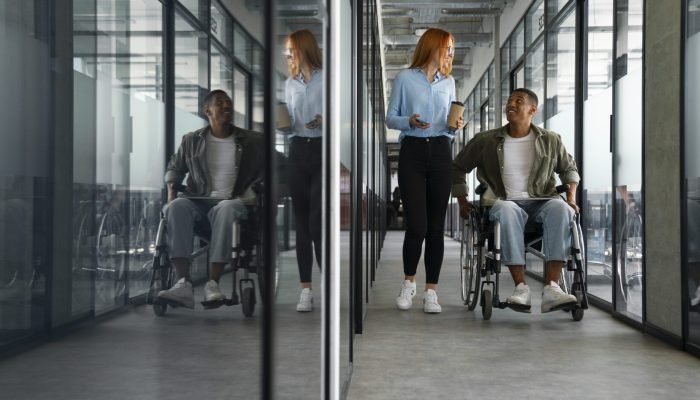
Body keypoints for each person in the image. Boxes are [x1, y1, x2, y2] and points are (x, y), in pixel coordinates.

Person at [452, 88, 578, 313]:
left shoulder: (550, 140)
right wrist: (462, 201)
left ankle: (552, 287)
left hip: (543, 201)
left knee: (561, 209)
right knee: (507, 209)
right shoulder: (486, 141)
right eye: (509, 100)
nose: (511, 104)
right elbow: (458, 167)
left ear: (532, 109)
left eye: (518, 101)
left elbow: (569, 169)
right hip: (504, 201)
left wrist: (570, 198)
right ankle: (521, 288)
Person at [156, 90, 264, 309]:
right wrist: (171, 187)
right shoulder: (191, 140)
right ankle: (183, 284)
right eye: (220, 102)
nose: (226, 106)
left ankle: (213, 283)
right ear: (208, 111)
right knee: (176, 206)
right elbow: (174, 169)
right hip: (199, 201)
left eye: (228, 102)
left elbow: (272, 169)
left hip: (235, 202)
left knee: (226, 207)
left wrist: (258, 188)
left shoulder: (253, 140)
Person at [386, 28, 463, 313]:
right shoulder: (405, 78)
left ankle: (432, 291)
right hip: (413, 154)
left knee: (435, 228)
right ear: (433, 46)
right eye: (448, 46)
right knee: (416, 226)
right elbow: (390, 118)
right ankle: (409, 284)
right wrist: (410, 120)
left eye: (453, 48)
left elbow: (449, 121)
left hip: (442, 152)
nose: (451, 52)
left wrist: (455, 127)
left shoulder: (449, 82)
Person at [284, 29, 323, 312]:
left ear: (303, 49)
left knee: (316, 220)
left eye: (291, 49)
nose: (288, 54)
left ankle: (328, 284)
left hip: (322, 150)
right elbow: (289, 118)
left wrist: (326, 118)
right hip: (297, 151)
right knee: (301, 223)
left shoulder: (328, 79)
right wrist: (283, 123)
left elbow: (342, 117)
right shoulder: (290, 84)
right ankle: (305, 290)